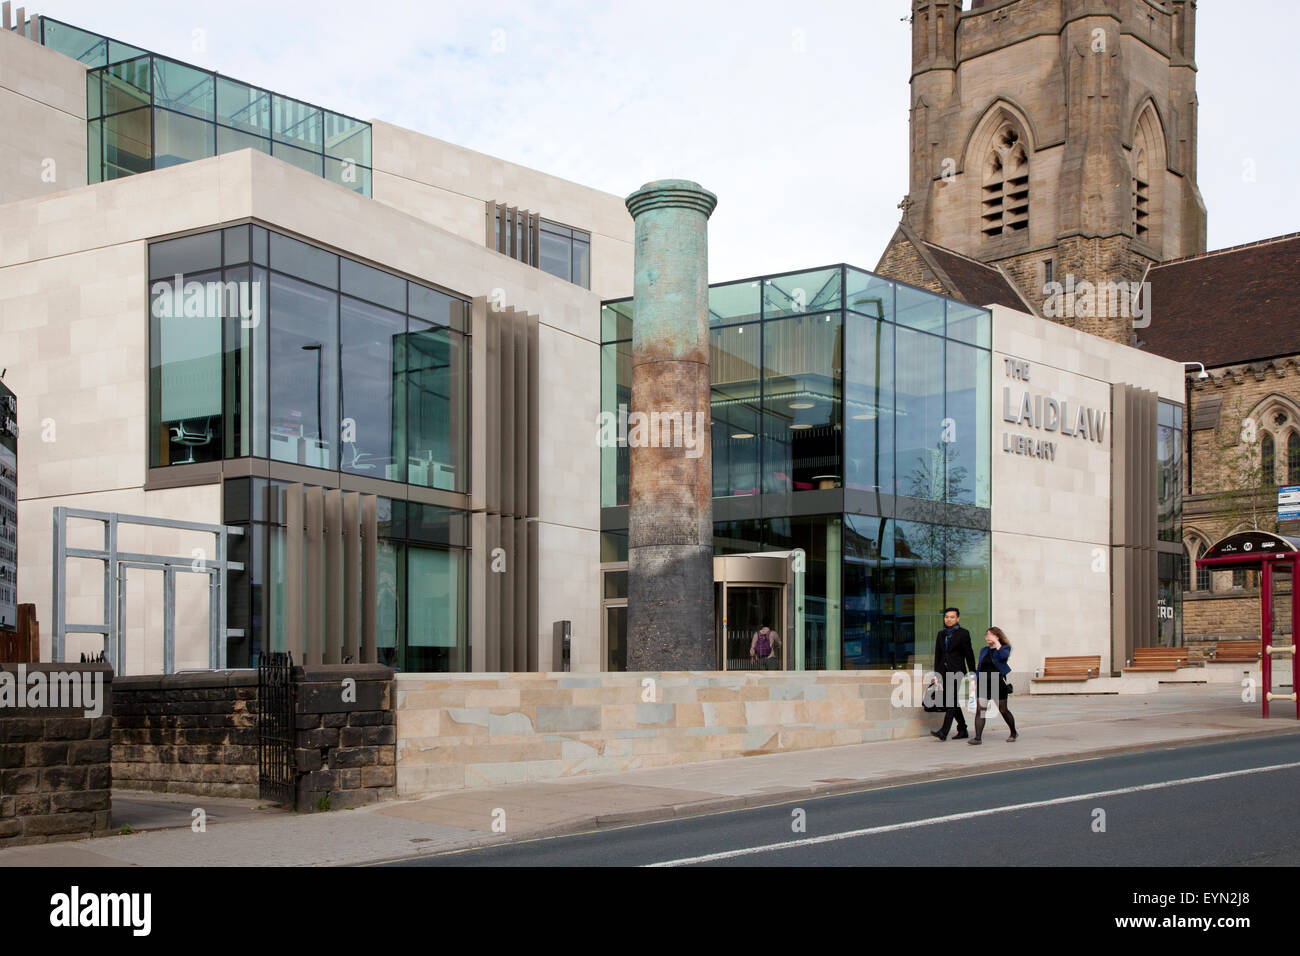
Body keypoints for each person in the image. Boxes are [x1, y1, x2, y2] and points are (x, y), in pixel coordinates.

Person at [929, 607, 976, 740]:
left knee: (951, 700)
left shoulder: (963, 633)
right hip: (943, 673)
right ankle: (963, 729)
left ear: (957, 619)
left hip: (957, 672)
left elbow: (969, 654)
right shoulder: (941, 634)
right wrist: (936, 675)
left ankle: (944, 732)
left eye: (952, 617)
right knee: (952, 702)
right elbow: (938, 655)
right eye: (946, 617)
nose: (948, 619)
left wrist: (972, 673)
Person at [968, 626, 1018, 744]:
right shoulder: (983, 650)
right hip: (983, 681)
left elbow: (1003, 657)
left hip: (997, 681)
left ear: (997, 636)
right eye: (987, 635)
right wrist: (974, 681)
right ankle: (978, 738)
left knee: (1003, 709)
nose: (987, 637)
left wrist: (996, 643)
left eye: (990, 634)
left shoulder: (1004, 648)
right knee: (980, 710)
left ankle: (1013, 732)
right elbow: (979, 667)